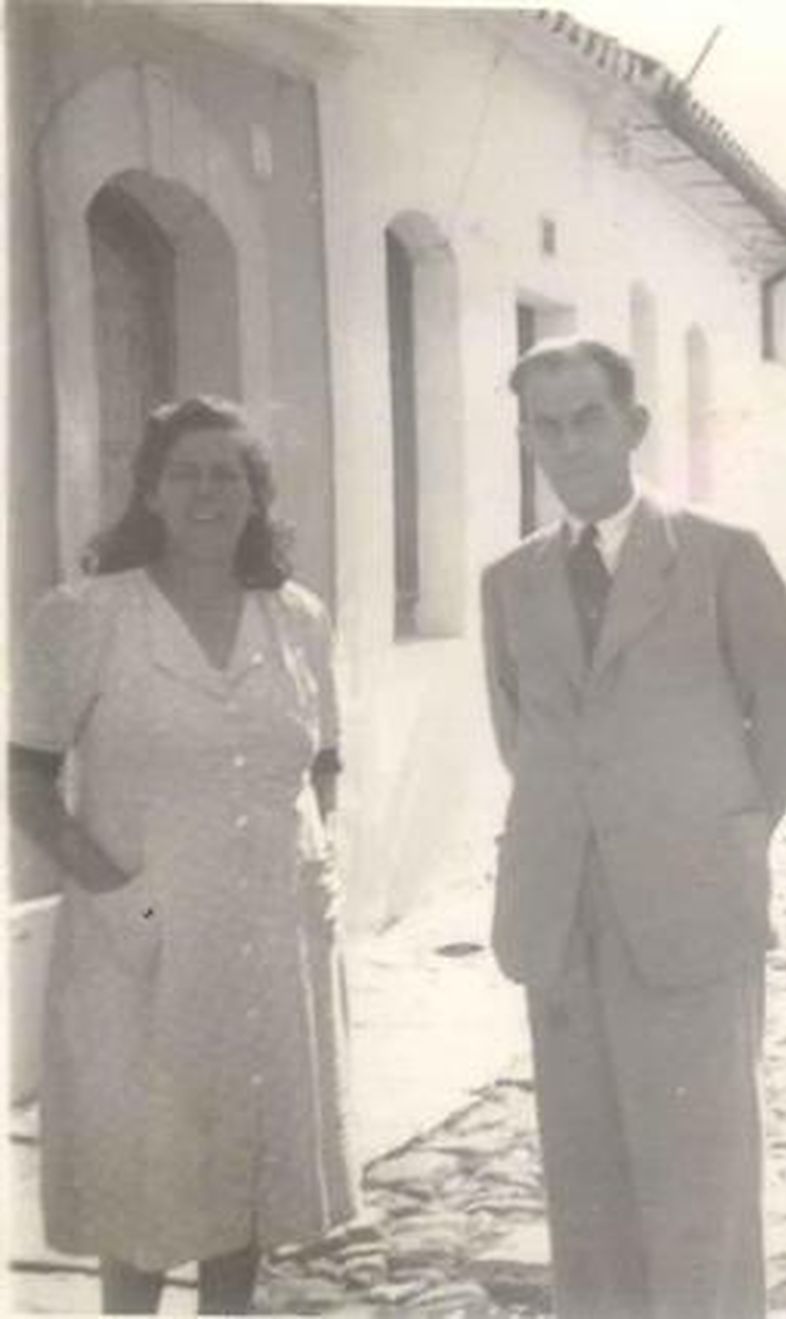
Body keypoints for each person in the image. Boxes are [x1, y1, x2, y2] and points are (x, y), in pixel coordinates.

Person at [481, 337, 786, 1318]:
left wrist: (717, 837)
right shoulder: (509, 580)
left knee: (701, 1184)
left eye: (588, 418)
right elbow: (520, 735)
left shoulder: (720, 555)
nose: (569, 443)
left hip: (691, 911)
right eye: (546, 426)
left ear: (632, 425)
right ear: (527, 440)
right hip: (561, 915)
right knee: (586, 1193)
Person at [8, 396, 358, 1313]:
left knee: (245, 1168)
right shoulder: (85, 615)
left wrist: (319, 859)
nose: (209, 492)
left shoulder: (297, 618)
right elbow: (26, 782)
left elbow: (324, 758)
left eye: (228, 474)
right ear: (151, 491)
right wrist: (125, 899)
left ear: (255, 495)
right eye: (187, 473)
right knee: (143, 1185)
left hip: (274, 934)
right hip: (142, 942)